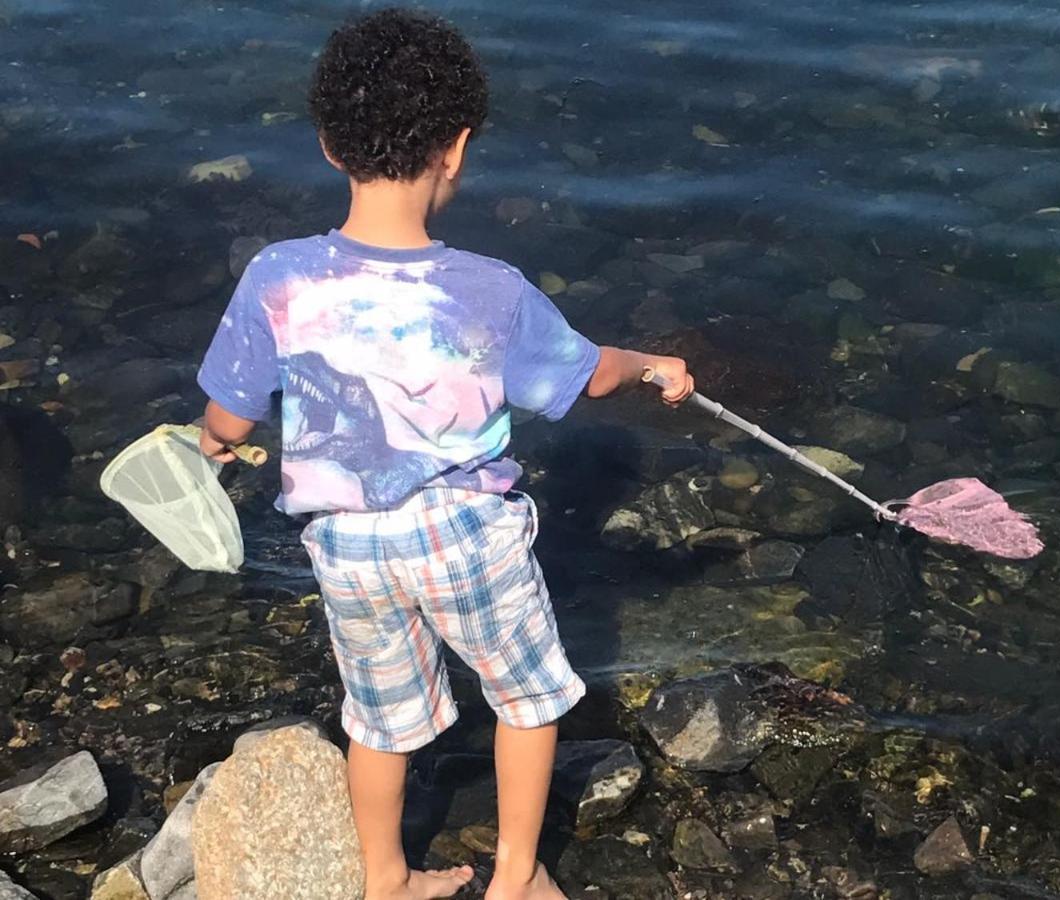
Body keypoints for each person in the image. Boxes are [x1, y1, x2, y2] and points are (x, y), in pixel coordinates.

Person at [195, 8, 692, 900]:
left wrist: (212, 445)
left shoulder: (277, 275)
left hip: (346, 547)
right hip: (467, 536)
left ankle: (384, 878)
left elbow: (227, 418)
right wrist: (652, 362)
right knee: (526, 700)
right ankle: (516, 875)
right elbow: (589, 380)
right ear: (456, 149)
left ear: (326, 145)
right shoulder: (490, 291)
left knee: (380, 720)